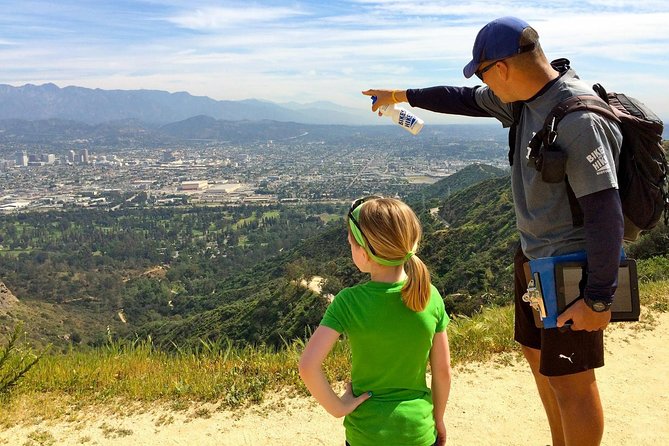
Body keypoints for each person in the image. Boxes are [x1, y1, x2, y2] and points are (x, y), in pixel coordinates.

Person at [363, 16, 623, 446]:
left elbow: (605, 212)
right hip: (534, 259)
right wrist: (400, 95)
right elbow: (462, 98)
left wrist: (598, 296)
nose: (484, 86)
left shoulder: (577, 117)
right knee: (544, 367)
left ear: (500, 68)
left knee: (573, 385)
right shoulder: (522, 100)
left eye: (484, 73)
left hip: (570, 270)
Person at [299, 196, 452, 446]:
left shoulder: (349, 302)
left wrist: (339, 408)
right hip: (418, 432)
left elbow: (307, 366)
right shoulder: (429, 296)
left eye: (351, 243)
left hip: (365, 435)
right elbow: (443, 372)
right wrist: (438, 419)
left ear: (365, 253)